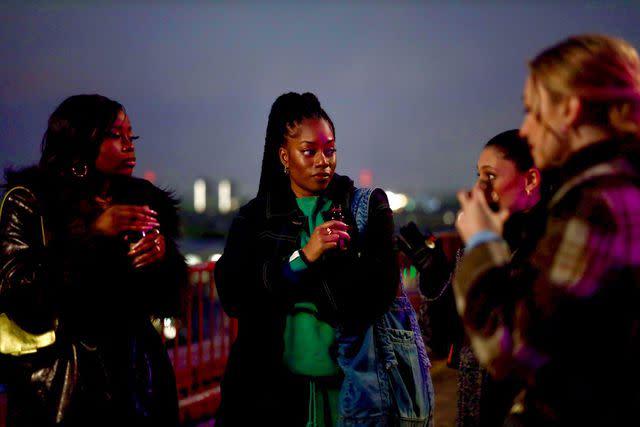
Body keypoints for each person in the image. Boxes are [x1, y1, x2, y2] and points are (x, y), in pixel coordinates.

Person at [453, 34, 640, 426]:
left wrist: (482, 243)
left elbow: (511, 345)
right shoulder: (620, 187)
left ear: (569, 110)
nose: (525, 130)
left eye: (533, 111)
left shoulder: (596, 205)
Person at [214, 92, 433, 426]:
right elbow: (233, 294)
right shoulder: (256, 217)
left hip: (355, 390)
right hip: (274, 395)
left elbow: (380, 291)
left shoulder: (366, 207)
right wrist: (304, 257)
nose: (323, 161)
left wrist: (294, 279)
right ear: (284, 156)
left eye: (330, 149)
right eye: (309, 151)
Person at [0, 94, 188, 426]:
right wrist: (91, 236)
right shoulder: (31, 202)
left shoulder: (140, 201)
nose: (130, 145)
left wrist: (161, 257)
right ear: (82, 141)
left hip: (138, 384)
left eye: (133, 136)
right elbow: (18, 292)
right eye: (117, 135)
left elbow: (167, 299)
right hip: (64, 387)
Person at [399, 129, 545, 427]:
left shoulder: (549, 252)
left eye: (490, 176)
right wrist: (435, 275)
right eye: (478, 175)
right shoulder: (476, 246)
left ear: (530, 180)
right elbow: (439, 342)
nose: (478, 188)